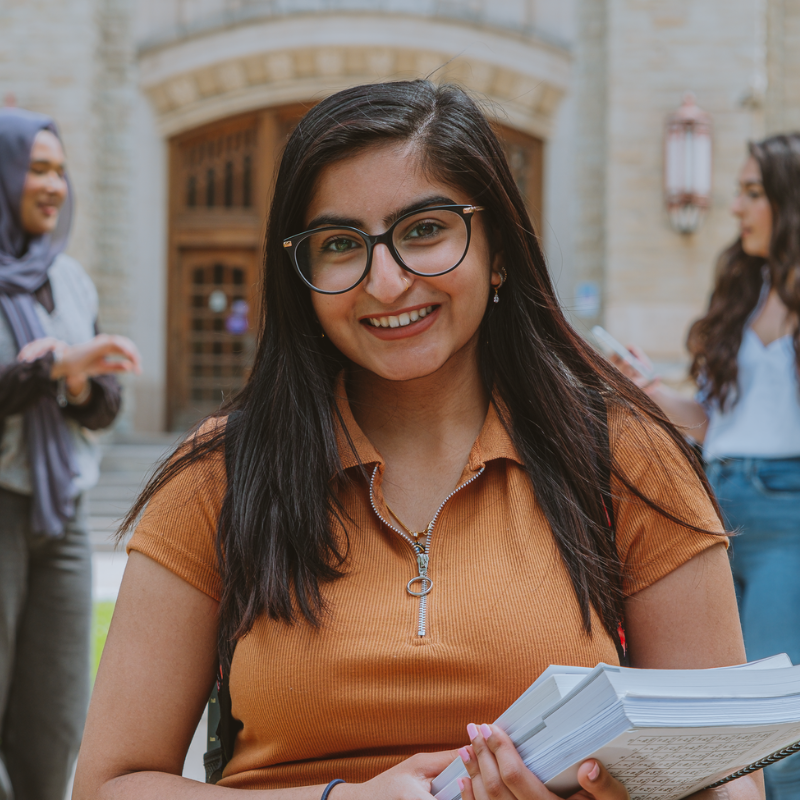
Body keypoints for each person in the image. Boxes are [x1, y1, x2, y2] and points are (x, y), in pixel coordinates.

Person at [74, 81, 760, 800]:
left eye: (426, 230)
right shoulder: (219, 474)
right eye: (341, 245)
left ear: (498, 252)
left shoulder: (628, 457)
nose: (388, 280)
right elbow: (106, 785)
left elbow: (730, 786)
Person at [608, 133, 800, 800]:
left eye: (752, 194)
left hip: (787, 510)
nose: (737, 209)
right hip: (719, 500)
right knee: (721, 699)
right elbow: (720, 419)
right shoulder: (751, 287)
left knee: (777, 710)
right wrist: (648, 393)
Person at [0, 108, 140, 800]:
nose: (55, 184)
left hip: (61, 516)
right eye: (37, 167)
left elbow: (103, 406)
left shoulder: (69, 278)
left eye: (60, 170)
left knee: (55, 715)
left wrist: (79, 380)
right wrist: (45, 372)